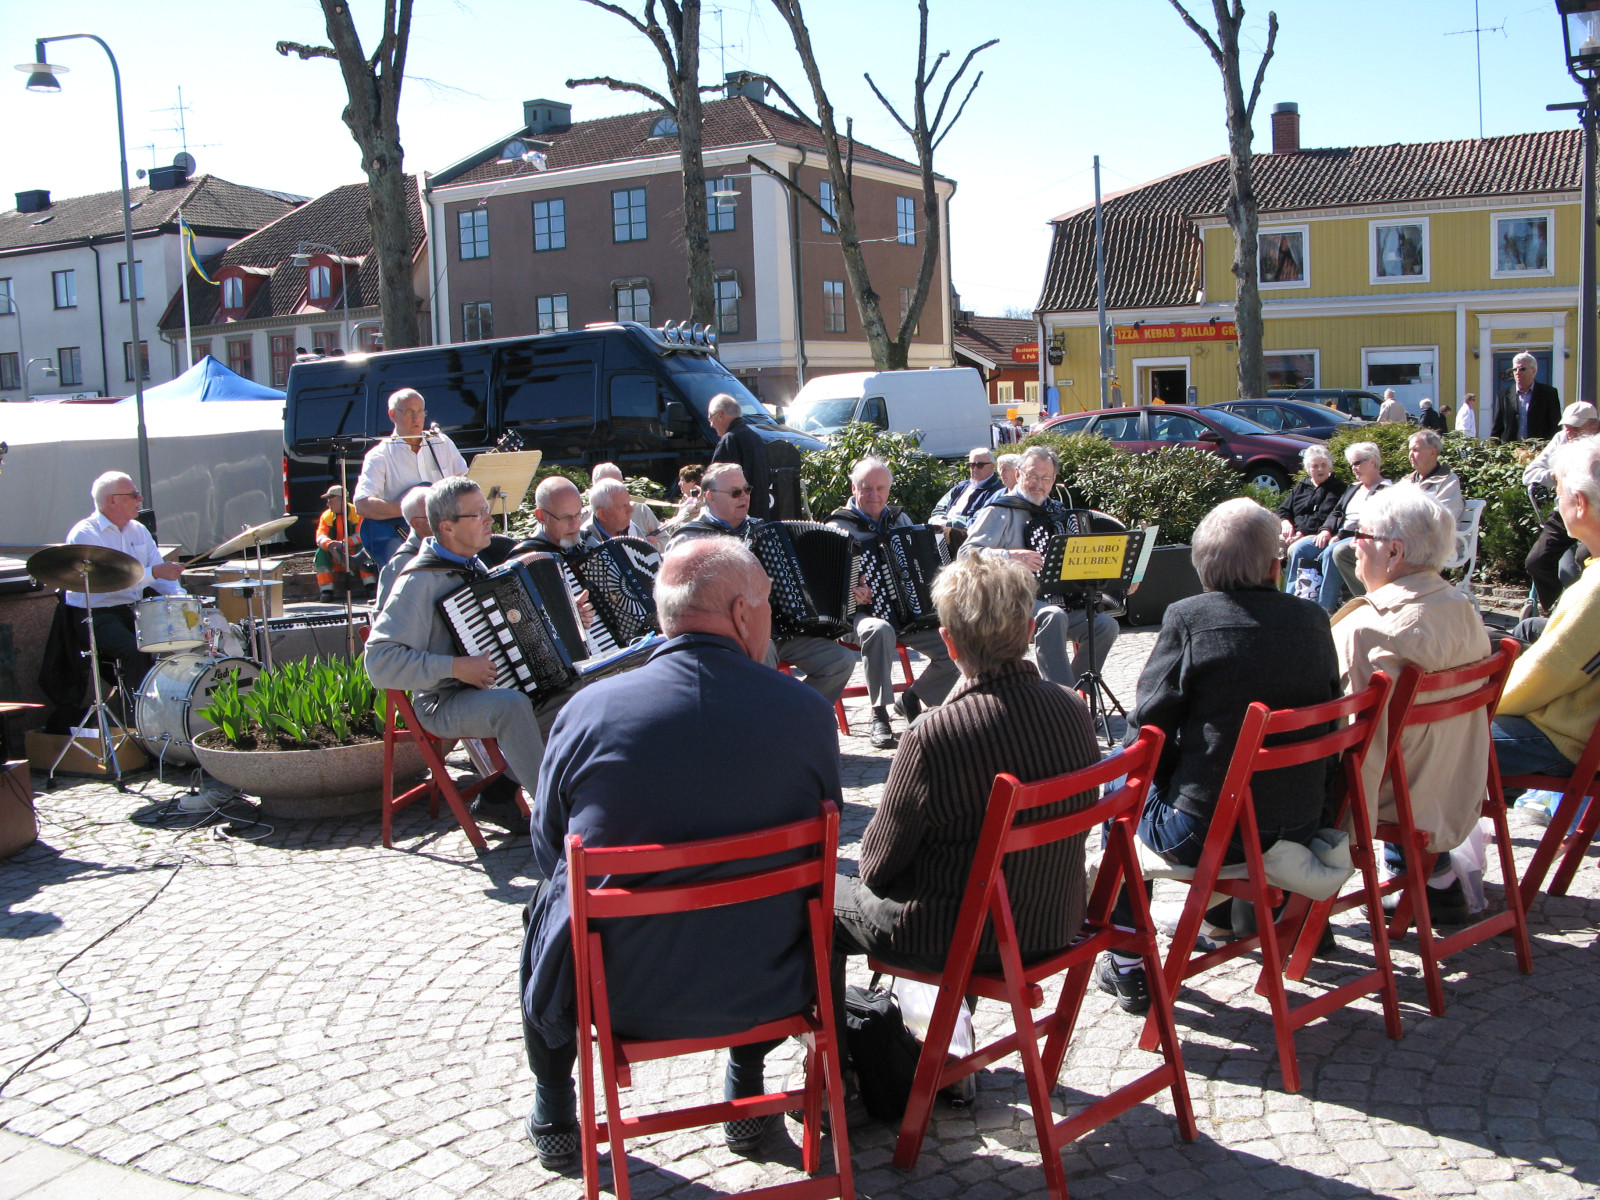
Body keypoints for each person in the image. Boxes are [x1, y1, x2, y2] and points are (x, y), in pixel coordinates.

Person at [521, 538, 842, 1167]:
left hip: (622, 991)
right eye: (768, 605)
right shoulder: (806, 712)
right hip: (771, 983)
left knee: (550, 901)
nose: (771, 617)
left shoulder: (589, 711)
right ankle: (747, 1087)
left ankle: (555, 1103)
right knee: (783, 889)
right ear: (743, 614)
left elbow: (548, 849)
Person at [830, 552, 1099, 1048]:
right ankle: (942, 1045)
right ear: (1029, 632)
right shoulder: (1072, 708)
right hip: (1053, 919)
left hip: (960, 937)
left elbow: (876, 867)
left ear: (948, 642)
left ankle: (839, 1064)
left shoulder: (935, 735)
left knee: (821, 901)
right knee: (965, 868)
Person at [1099, 499, 1340, 1012]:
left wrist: (1162, 779)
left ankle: (1127, 960)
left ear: (1202, 568)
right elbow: (1330, 720)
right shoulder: (1314, 619)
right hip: (1300, 820)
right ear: (1275, 566)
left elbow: (1148, 730)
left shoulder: (1188, 616)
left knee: (1116, 783)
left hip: (1211, 832)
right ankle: (1239, 919)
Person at [1331, 488, 1491, 927]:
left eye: (1360, 535)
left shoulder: (1368, 628)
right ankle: (1437, 878)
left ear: (1394, 551)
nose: (1352, 545)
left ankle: (1281, 907)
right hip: (1453, 782)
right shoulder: (1464, 609)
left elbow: (1337, 735)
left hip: (1388, 793)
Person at [363, 476, 552, 832]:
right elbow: (378, 662)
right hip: (443, 701)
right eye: (477, 514)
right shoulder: (417, 582)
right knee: (511, 707)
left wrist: (563, 620)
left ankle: (520, 795)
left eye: (486, 511)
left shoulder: (473, 565)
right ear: (447, 527)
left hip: (492, 686)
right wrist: (454, 667)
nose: (489, 520)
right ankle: (557, 823)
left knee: (580, 690)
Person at [669, 464, 855, 705]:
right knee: (763, 649)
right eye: (735, 492)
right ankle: (766, 721)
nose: (744, 497)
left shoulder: (761, 529)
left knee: (839, 661)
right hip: (727, 636)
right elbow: (675, 600)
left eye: (747, 490)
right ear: (710, 496)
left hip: (782, 629)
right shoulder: (690, 539)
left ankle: (796, 716)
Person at [827, 457, 959, 749]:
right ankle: (879, 715)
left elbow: (917, 561)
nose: (874, 495)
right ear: (853, 488)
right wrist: (850, 592)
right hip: (858, 617)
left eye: (881, 488)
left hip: (907, 615)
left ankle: (913, 697)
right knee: (879, 630)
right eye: (866, 488)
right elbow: (825, 587)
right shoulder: (837, 526)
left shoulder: (900, 519)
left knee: (958, 641)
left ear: (889, 489)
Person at [961, 446, 1120, 686]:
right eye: (1032, 476)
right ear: (1018, 474)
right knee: (1052, 615)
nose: (1039, 483)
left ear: (1054, 480)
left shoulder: (1059, 512)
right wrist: (1009, 556)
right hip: (1012, 602)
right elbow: (965, 555)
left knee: (1105, 626)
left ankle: (1074, 691)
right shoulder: (999, 511)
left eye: (1046, 478)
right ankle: (1060, 698)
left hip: (1060, 600)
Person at [1493, 438, 1600, 793]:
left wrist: (1477, 701)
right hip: (1575, 725)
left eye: (1559, 494)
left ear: (1580, 503)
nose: (1556, 503)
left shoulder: (1596, 588)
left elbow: (1545, 674)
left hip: (1570, 738)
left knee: (1422, 737)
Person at [63, 472, 188, 705]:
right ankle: (142, 712)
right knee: (135, 649)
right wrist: (154, 572)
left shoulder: (139, 530)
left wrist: (183, 602)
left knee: (178, 638)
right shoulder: (86, 533)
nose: (140, 499)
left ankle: (175, 706)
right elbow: (108, 583)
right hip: (96, 614)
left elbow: (162, 576)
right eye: (134, 494)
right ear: (113, 500)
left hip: (133, 609)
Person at [1328, 430, 1464, 604]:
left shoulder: (1448, 481)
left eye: (1416, 450)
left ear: (1433, 452)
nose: (1411, 455)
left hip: (1424, 544)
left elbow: (1440, 519)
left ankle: (1380, 601)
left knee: (1349, 551)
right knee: (1344, 551)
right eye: (1410, 450)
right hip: (1397, 540)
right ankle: (1374, 600)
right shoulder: (1407, 481)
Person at [353, 389, 470, 568]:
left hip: (448, 542)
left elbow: (467, 483)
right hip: (403, 543)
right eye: (409, 412)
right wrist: (413, 510)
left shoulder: (442, 443)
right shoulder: (379, 455)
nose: (416, 418)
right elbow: (362, 504)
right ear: (392, 414)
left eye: (420, 411)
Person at [1284, 442, 1391, 612]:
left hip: (1360, 537)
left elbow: (1376, 524)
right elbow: (1337, 512)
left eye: (1357, 463)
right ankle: (1292, 602)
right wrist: (1326, 531)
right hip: (1338, 534)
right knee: (1301, 549)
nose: (1353, 468)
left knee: (1331, 552)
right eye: (1351, 464)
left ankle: (1324, 608)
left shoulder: (1385, 490)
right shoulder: (1354, 488)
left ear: (1372, 462)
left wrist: (1340, 536)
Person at [1523, 401, 1600, 614]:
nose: (1569, 433)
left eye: (1575, 427)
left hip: (1595, 513)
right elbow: (1529, 473)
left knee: (1585, 558)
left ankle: (1588, 611)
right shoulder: (1562, 438)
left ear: (1594, 425)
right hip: (1566, 512)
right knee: (1536, 561)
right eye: (1566, 427)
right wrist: (1556, 475)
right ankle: (1556, 609)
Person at [1277, 445, 1342, 573]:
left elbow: (1322, 516)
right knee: (1269, 545)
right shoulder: (1302, 486)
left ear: (1329, 466)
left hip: (1315, 534)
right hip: (1293, 533)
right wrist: (1285, 522)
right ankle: (1272, 582)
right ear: (1308, 469)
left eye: (1323, 465)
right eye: (1315, 466)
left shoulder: (1336, 488)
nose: (1320, 469)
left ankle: (1292, 585)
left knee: (1295, 549)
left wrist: (1300, 533)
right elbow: (1283, 509)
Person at [708, 393, 772, 520]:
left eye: (710, 419)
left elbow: (718, 484)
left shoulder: (729, 441)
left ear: (720, 415)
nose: (711, 425)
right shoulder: (756, 438)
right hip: (760, 517)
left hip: (739, 520)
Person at [313, 485, 375, 603]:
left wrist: (343, 544)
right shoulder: (326, 516)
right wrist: (329, 544)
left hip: (354, 555)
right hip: (334, 555)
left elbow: (361, 535)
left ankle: (370, 586)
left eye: (331, 500)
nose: (328, 503)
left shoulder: (358, 513)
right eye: (328, 500)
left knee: (364, 548)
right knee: (321, 552)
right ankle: (326, 591)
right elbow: (320, 536)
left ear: (342, 500)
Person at [375, 485, 432, 610]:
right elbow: (383, 614)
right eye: (434, 515)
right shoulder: (400, 564)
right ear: (416, 523)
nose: (443, 520)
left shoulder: (454, 550)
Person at [928, 448, 1004, 533]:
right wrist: (938, 520)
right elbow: (940, 507)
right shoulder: (962, 486)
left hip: (967, 535)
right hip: (943, 530)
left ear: (992, 466)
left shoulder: (996, 492)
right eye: (972, 465)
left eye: (980, 465)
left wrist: (949, 523)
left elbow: (980, 519)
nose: (975, 469)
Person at [1492, 352, 1561, 443]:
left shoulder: (1549, 393)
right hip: (1511, 448)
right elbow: (1497, 428)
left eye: (1522, 369)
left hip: (1538, 448)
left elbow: (1555, 426)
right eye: (1514, 369)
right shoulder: (1503, 395)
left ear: (1534, 371)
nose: (1517, 372)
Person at [589, 462, 660, 541]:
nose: (631, 510)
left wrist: (652, 545)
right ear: (602, 514)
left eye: (620, 484)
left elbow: (663, 538)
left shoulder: (633, 526)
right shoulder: (586, 539)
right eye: (610, 486)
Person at [580, 478, 640, 545]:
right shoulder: (586, 544)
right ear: (602, 514)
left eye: (629, 503)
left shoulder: (631, 528)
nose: (631, 510)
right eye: (624, 506)